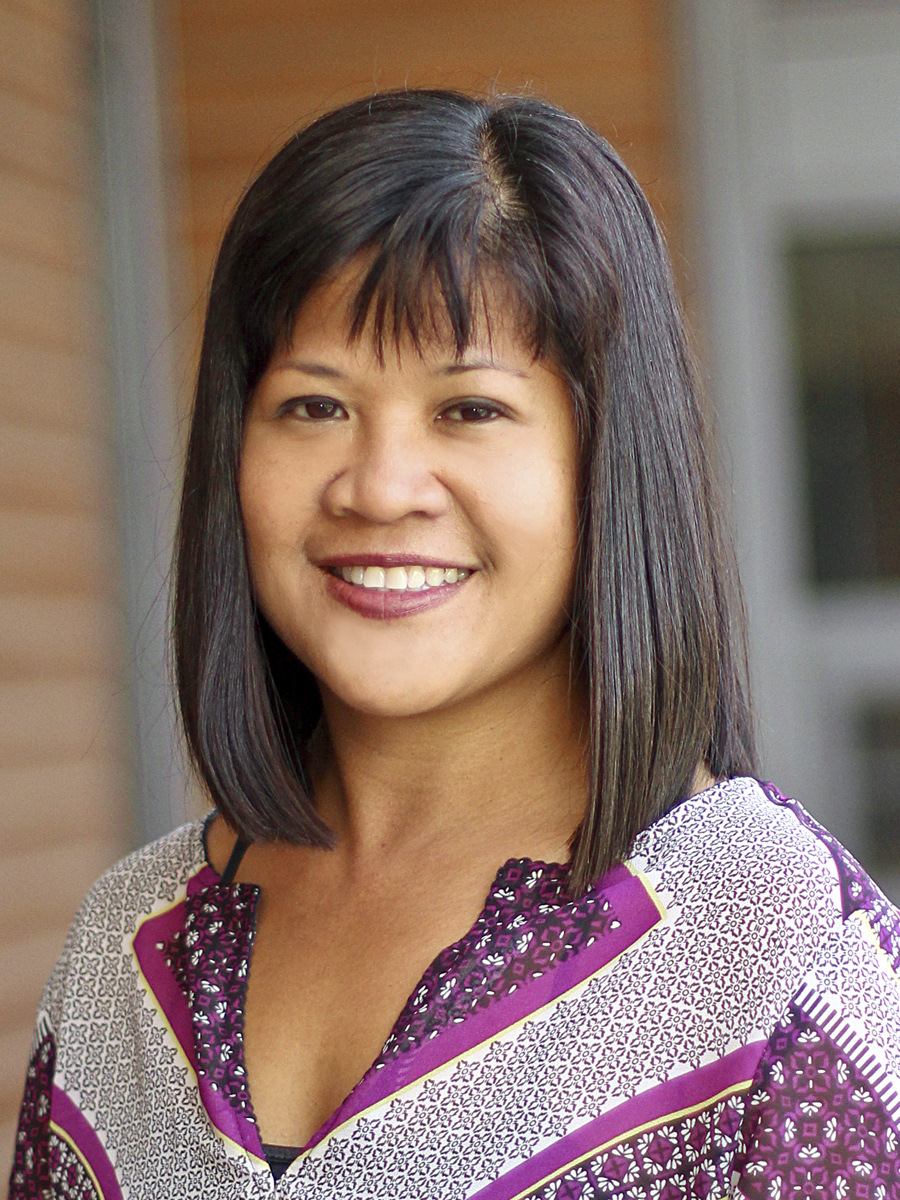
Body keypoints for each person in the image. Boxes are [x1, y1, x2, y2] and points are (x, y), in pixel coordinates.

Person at [9, 89, 900, 1200]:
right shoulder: (124, 953)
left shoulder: (778, 953)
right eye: (313, 407)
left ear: (609, 459)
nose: (379, 487)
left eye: (469, 409)